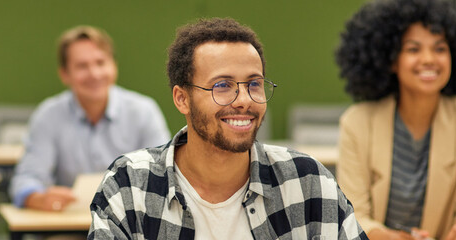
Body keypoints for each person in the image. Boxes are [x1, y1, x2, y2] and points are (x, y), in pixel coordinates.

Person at [88, 18, 367, 239]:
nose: (244, 100)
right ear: (182, 99)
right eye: (222, 86)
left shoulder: (308, 182)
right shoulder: (130, 185)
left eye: (254, 84)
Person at [335, 0, 456, 239]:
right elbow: (353, 217)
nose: (429, 59)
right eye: (413, 49)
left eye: (440, 49)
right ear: (391, 60)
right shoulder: (357, 122)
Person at [9, 25, 170, 211]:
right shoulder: (48, 116)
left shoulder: (143, 111)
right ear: (64, 74)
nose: (94, 74)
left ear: (114, 66)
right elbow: (26, 179)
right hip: (69, 227)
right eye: (82, 66)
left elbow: (164, 174)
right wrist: (39, 198)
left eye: (101, 63)